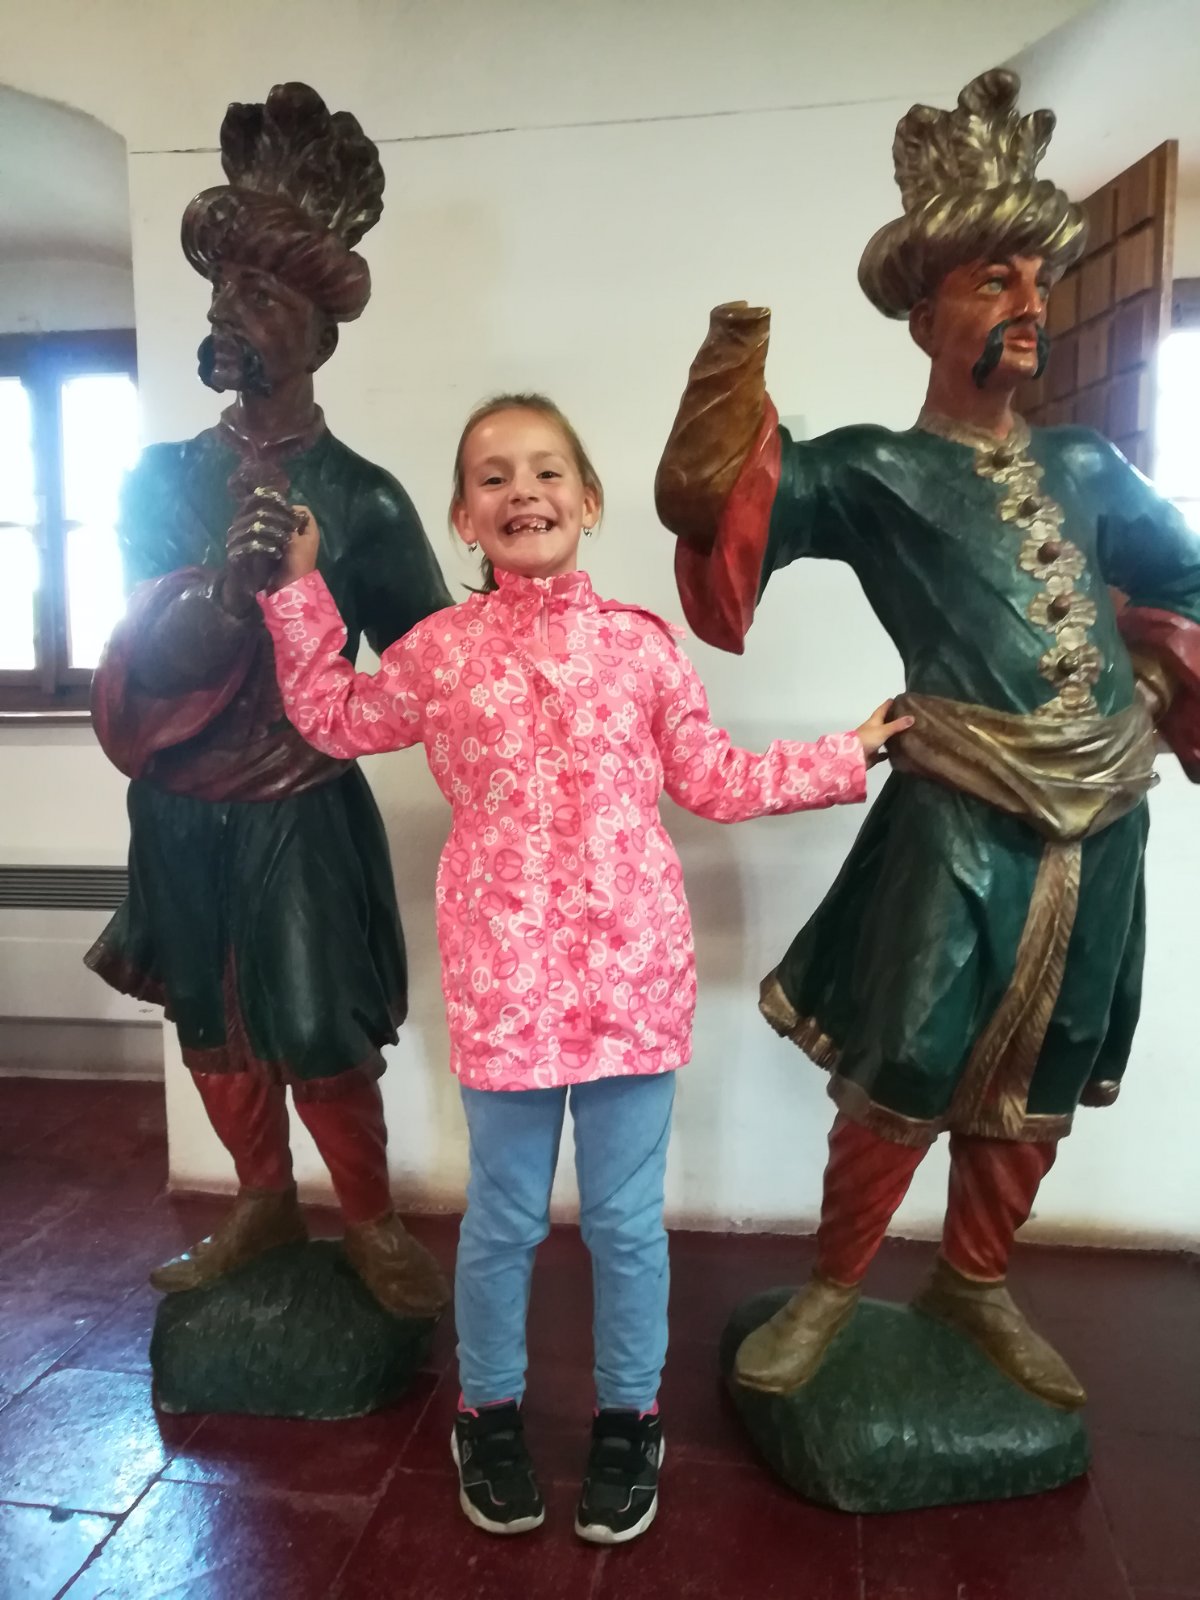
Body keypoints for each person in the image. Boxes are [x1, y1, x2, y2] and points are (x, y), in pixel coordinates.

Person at [258, 393, 907, 1542]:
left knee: (624, 1224)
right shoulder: (440, 652)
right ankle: (488, 1413)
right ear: (464, 517)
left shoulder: (642, 647)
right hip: (503, 983)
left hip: (631, 984)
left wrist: (844, 751)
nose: (524, 491)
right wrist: (298, 587)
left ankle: (629, 1417)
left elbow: (713, 779)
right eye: (494, 476)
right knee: (504, 1218)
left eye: (548, 470)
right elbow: (334, 715)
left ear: (590, 501)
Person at [655, 69, 1200, 1408]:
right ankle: (832, 1292)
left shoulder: (1087, 467)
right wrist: (729, 371)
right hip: (955, 803)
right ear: (925, 315)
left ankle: (976, 1281)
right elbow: (726, 511)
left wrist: (1147, 677)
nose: (1028, 305)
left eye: (1036, 283)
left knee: (1053, 1052)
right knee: (910, 1046)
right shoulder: (873, 471)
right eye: (992, 281)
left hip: (1106, 813)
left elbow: (1185, 574)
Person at [87, 83, 451, 1318]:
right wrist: (223, 594)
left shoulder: (365, 497)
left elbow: (428, 666)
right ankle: (259, 1200)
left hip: (303, 797)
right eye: (223, 292)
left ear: (315, 331)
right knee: (211, 1017)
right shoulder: (159, 479)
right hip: (184, 797)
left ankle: (370, 1218)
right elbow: (140, 649)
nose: (230, 317)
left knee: (317, 1020)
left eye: (262, 297)